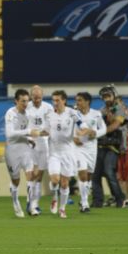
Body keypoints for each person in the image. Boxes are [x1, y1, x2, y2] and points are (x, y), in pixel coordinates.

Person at [41, 90, 77, 219]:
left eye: (57, 100)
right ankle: (55, 197)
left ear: (64, 100)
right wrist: (42, 133)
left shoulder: (72, 113)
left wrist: (82, 130)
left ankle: (62, 209)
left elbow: (80, 124)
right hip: (54, 152)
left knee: (65, 183)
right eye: (53, 100)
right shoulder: (49, 115)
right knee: (55, 180)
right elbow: (45, 129)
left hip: (67, 152)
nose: (55, 103)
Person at [4, 89, 39, 218]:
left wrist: (30, 140)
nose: (25, 103)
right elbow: (10, 134)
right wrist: (29, 132)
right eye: (23, 101)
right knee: (16, 181)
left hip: (25, 148)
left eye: (27, 100)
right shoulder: (10, 113)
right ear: (16, 101)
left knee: (30, 175)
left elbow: (26, 132)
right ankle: (15, 202)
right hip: (12, 150)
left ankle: (31, 205)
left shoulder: (28, 114)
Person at [91, 85, 126, 208]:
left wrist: (99, 132)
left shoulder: (120, 109)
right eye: (104, 97)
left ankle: (120, 199)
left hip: (114, 146)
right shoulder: (101, 111)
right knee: (95, 174)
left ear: (114, 95)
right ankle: (97, 201)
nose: (106, 99)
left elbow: (116, 125)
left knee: (109, 171)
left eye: (108, 96)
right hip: (101, 145)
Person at [72, 92, 106, 213]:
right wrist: (73, 138)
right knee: (82, 173)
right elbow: (67, 128)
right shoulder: (74, 114)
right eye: (77, 100)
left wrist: (95, 133)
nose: (77, 102)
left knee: (89, 176)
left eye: (80, 100)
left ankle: (82, 199)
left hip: (92, 148)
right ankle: (85, 204)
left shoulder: (96, 114)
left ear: (87, 101)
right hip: (78, 148)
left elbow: (104, 129)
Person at [25, 85, 53, 215]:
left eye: (39, 97)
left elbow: (50, 127)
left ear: (42, 96)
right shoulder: (26, 107)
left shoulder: (48, 108)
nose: (37, 99)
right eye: (35, 97)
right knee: (32, 174)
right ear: (31, 96)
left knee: (40, 175)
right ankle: (31, 203)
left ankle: (34, 203)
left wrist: (42, 133)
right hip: (30, 143)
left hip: (43, 143)